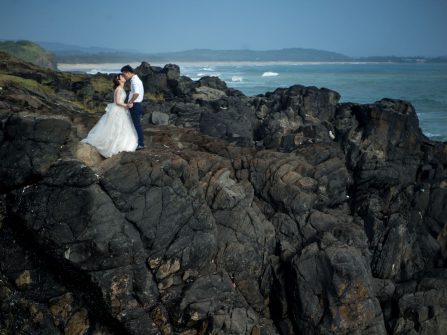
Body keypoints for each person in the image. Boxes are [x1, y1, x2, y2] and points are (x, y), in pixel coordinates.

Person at [81, 74, 138, 157]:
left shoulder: (121, 88)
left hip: (121, 110)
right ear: (119, 80)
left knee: (120, 128)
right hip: (118, 110)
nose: (123, 77)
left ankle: (118, 144)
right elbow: (117, 102)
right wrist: (127, 105)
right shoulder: (118, 89)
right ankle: (113, 146)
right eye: (121, 77)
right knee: (116, 127)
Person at [121, 65, 145, 150]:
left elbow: (136, 93)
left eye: (124, 74)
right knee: (134, 124)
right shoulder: (135, 79)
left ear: (128, 72)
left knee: (136, 125)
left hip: (135, 105)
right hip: (136, 104)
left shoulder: (134, 81)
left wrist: (130, 101)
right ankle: (138, 142)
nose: (124, 76)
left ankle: (141, 144)